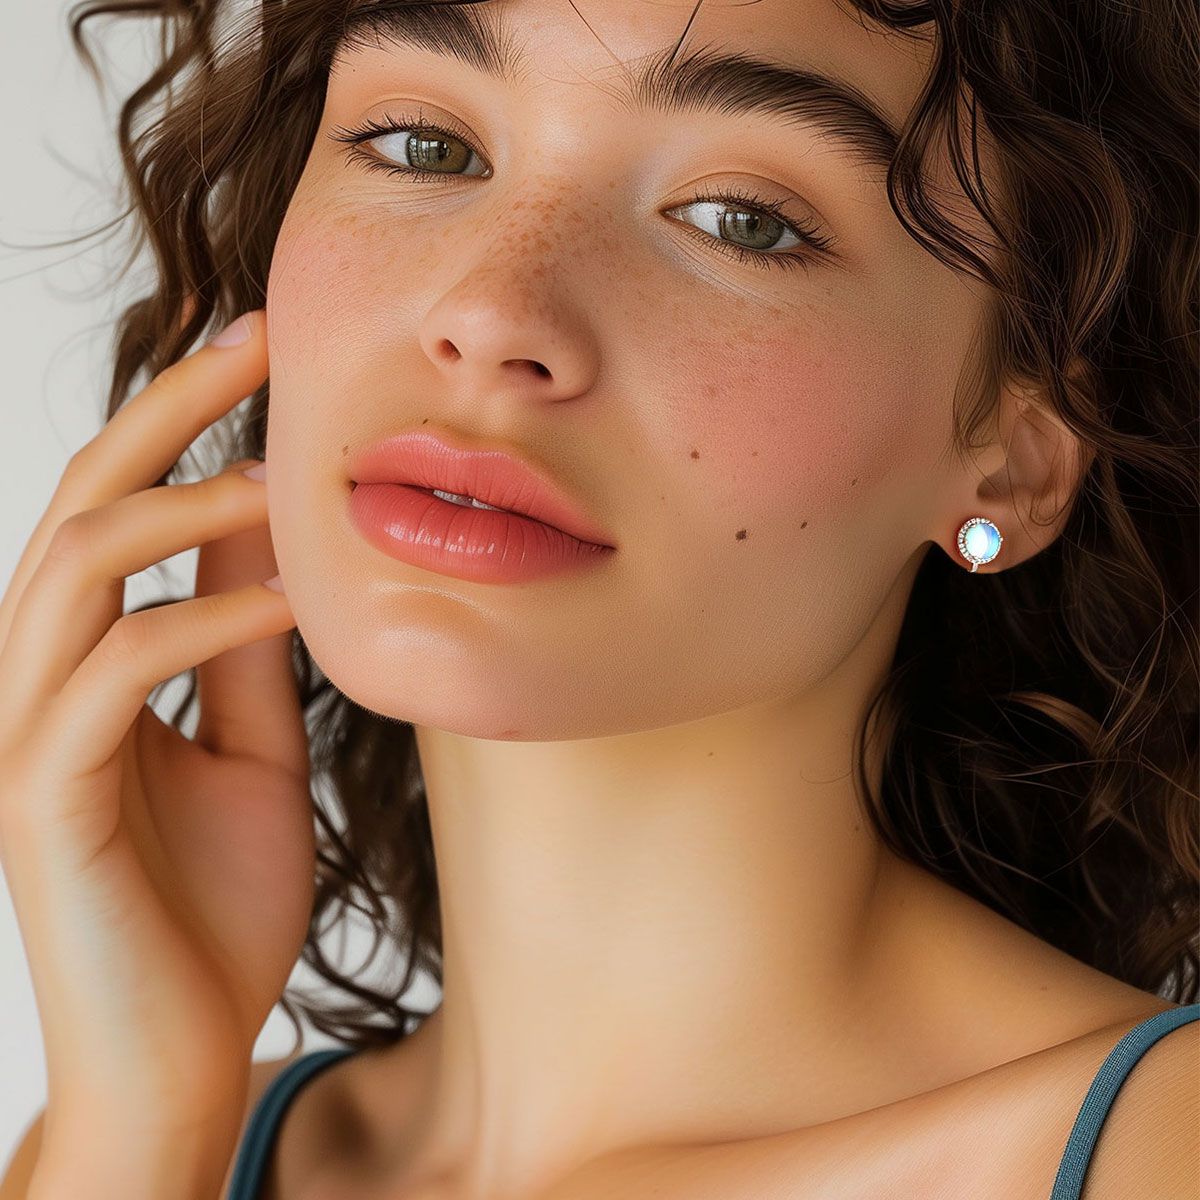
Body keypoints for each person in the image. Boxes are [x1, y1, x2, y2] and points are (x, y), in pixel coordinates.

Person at [1, 1, 1196, 1198]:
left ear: (1018, 457)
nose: (490, 314)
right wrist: (138, 1131)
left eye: (744, 221)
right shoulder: (129, 1146)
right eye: (425, 145)